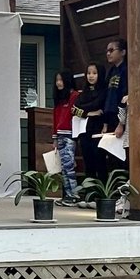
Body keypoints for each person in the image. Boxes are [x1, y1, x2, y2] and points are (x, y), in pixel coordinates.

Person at [73, 61, 107, 190]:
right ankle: (89, 193)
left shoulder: (104, 91)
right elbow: (74, 109)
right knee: (88, 162)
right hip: (84, 130)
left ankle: (101, 193)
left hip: (98, 129)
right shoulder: (84, 92)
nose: (91, 76)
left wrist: (85, 111)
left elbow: (99, 105)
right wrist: (90, 113)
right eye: (88, 73)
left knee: (100, 161)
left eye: (94, 73)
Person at [50, 70, 79, 205]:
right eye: (57, 80)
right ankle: (67, 195)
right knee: (63, 167)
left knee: (68, 165)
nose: (58, 83)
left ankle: (73, 195)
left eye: (61, 80)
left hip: (69, 135)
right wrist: (54, 138)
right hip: (60, 135)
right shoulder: (59, 99)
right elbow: (55, 119)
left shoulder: (74, 96)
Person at [101, 37, 129, 172]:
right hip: (110, 116)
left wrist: (121, 123)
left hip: (121, 118)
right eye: (107, 51)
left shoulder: (126, 70)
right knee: (110, 155)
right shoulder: (111, 71)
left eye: (112, 50)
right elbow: (107, 96)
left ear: (123, 52)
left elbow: (124, 98)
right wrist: (105, 122)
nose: (108, 53)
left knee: (120, 155)